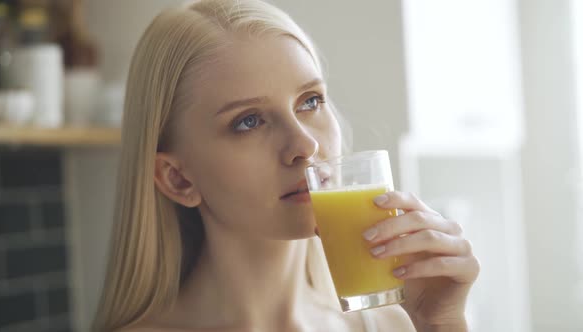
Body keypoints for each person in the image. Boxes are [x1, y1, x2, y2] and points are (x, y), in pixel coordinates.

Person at [92, 0, 480, 331]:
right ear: (177, 179)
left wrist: (443, 325)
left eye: (310, 101)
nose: (305, 144)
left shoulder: (391, 324)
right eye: (248, 121)